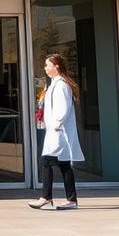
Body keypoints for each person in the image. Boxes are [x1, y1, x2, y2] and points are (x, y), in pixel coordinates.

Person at [29, 53, 84, 211]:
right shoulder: (54, 83)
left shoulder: (61, 85)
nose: (45, 68)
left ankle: (46, 198)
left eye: (48, 65)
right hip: (55, 130)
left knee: (46, 161)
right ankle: (71, 200)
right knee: (64, 164)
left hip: (59, 131)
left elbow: (63, 108)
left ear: (56, 66)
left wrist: (56, 125)